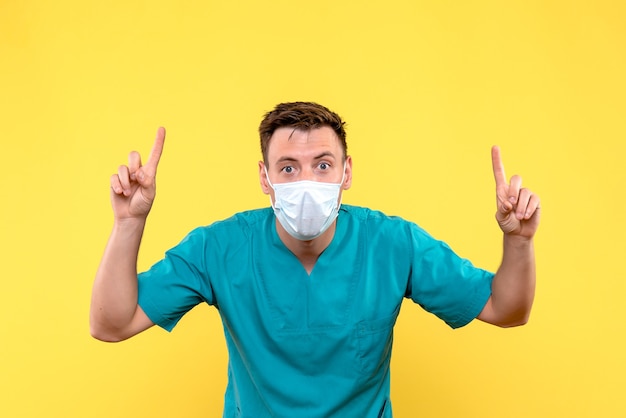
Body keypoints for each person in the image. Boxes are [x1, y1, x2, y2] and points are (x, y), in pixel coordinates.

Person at [90, 102, 540, 417]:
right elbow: (111, 323)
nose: (306, 180)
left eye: (322, 165)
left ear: (347, 172)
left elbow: (507, 309)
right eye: (288, 167)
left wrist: (518, 242)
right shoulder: (220, 248)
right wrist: (129, 223)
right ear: (264, 178)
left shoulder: (392, 243)